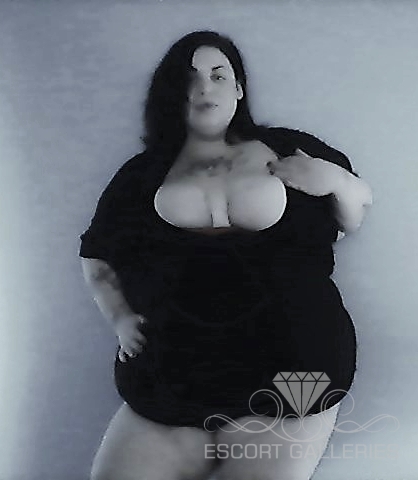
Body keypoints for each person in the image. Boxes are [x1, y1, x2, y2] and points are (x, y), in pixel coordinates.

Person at [80, 30, 372, 480]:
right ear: (172, 93)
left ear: (238, 89)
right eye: (190, 78)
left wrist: (336, 180)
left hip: (297, 371)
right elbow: (96, 256)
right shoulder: (140, 176)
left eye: (218, 75)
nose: (204, 87)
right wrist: (119, 317)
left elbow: (354, 215)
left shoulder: (290, 147)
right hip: (174, 376)